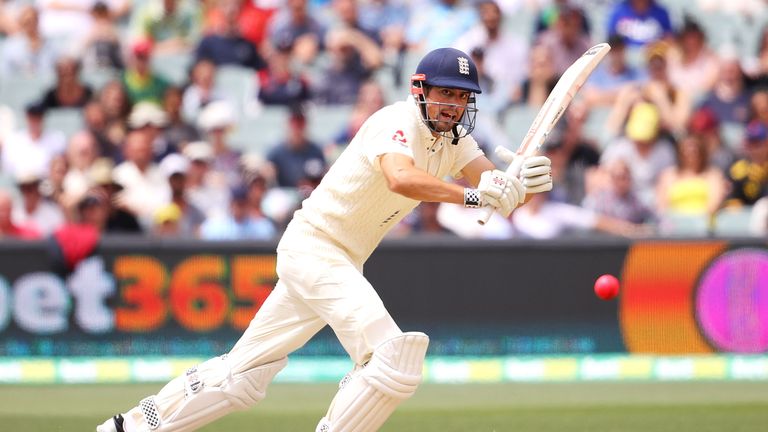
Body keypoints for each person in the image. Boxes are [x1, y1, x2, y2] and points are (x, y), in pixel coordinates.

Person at [96, 47, 553, 432]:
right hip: (315, 247)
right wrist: (477, 195)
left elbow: (498, 190)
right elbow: (401, 178)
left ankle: (130, 426)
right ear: (420, 92)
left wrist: (523, 183)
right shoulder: (395, 122)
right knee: (393, 356)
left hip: (335, 261)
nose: (453, 106)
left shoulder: (454, 141)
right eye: (445, 94)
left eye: (462, 97)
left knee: (242, 378)